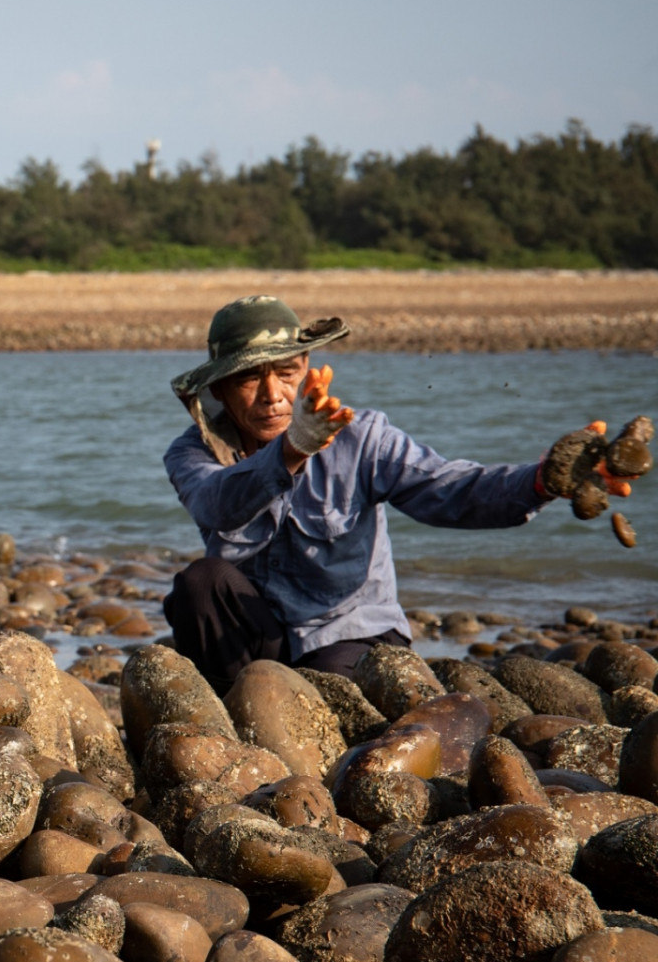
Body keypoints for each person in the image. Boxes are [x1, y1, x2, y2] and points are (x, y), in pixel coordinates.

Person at [161, 294, 632, 693]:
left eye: (285, 373)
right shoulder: (193, 453)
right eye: (249, 378)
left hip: (347, 632)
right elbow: (215, 503)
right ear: (219, 388)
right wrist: (292, 450)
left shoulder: (362, 437)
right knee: (200, 584)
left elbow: (453, 489)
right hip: (259, 633)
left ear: (304, 368)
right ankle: (242, 722)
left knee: (330, 692)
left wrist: (543, 480)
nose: (273, 395)